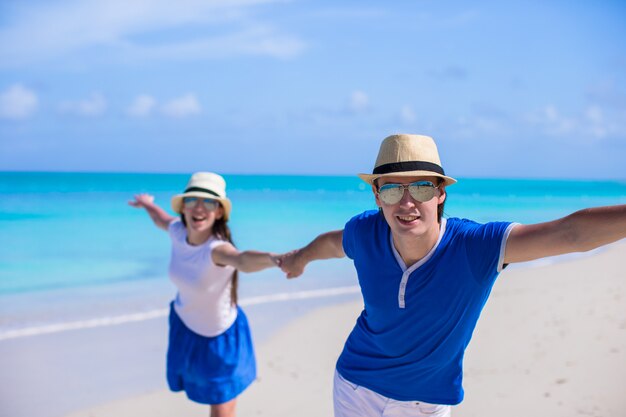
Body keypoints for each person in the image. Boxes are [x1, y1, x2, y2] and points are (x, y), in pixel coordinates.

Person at [278, 134, 626, 417]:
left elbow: (570, 233)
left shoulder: (475, 247)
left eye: (422, 188)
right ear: (377, 195)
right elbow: (331, 243)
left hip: (424, 404)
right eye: (392, 189)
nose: (407, 203)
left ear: (441, 192)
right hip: (355, 386)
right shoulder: (364, 231)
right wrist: (300, 259)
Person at [129, 172, 279, 417]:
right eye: (192, 200)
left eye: (208, 202)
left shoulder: (218, 249)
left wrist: (275, 259)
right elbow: (161, 219)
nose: (199, 208)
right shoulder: (178, 230)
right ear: (184, 207)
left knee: (221, 411)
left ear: (219, 211)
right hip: (185, 326)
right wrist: (147, 204)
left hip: (220, 337)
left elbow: (242, 260)